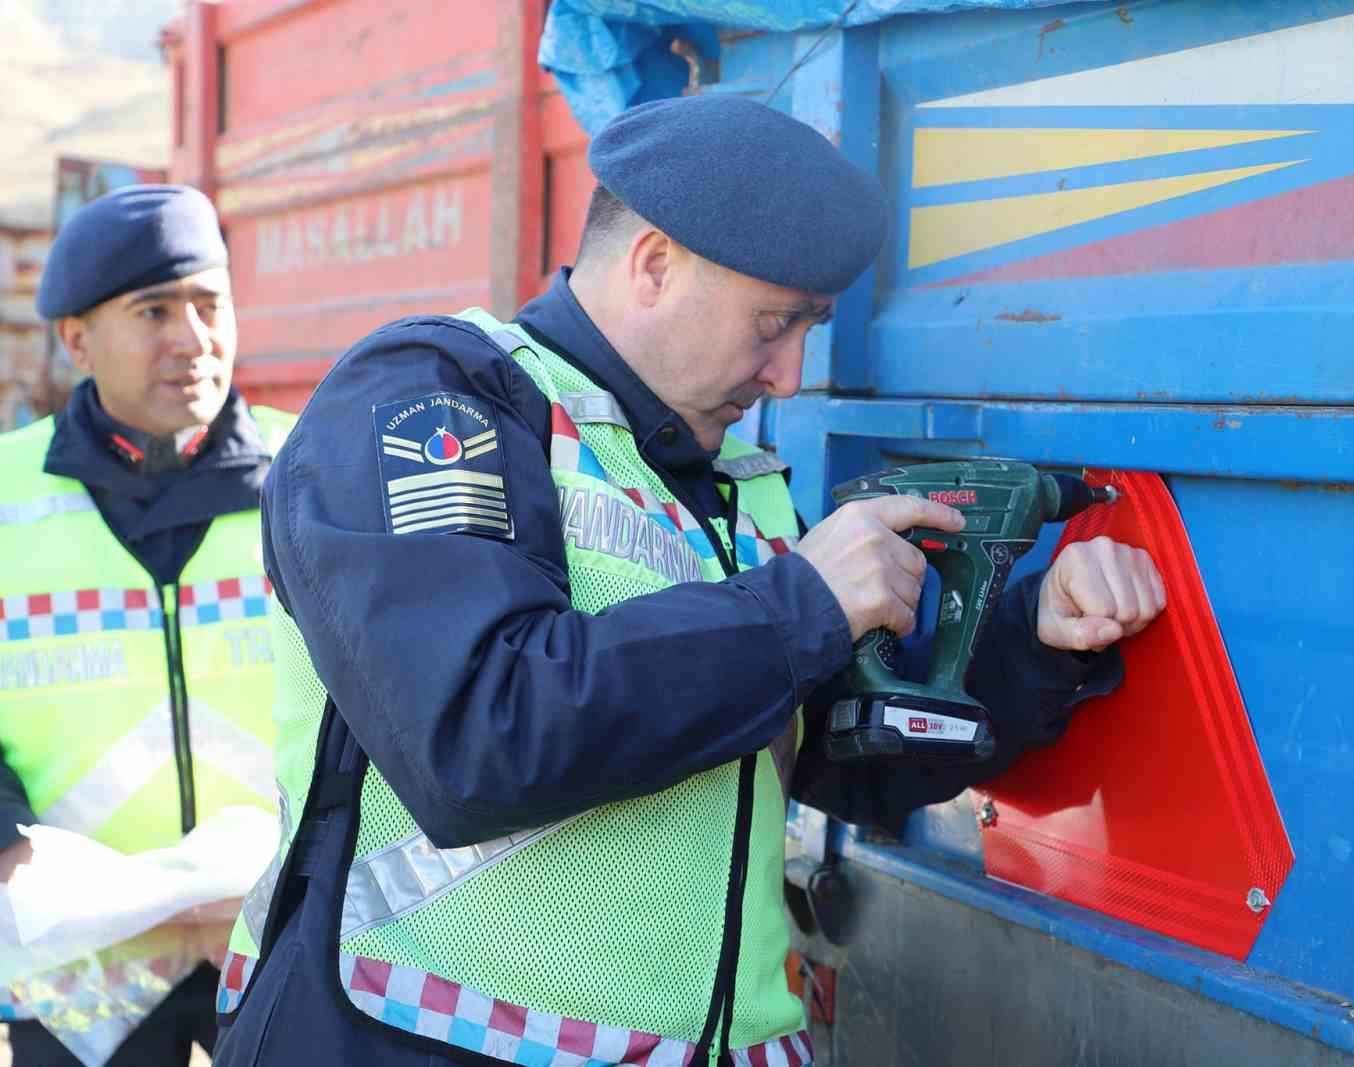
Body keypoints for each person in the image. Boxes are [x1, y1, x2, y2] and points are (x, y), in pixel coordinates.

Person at [212, 96, 1165, 1067]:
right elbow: (472, 737)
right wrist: (800, 606)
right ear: (654, 262)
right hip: (405, 1041)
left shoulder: (734, 493)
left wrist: (1033, 640)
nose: (788, 374)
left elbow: (847, 759)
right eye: (771, 323)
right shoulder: (435, 399)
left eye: (809, 329)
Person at [0, 185, 292, 1066]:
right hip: (81, 946)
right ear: (77, 339)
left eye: (211, 305)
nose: (193, 339)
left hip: (276, 923)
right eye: (155, 311)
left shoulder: (310, 477)